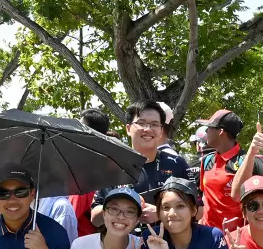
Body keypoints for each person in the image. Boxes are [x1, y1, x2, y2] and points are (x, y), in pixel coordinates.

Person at [91, 101, 190, 229]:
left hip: (167, 244)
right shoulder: (111, 166)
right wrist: (120, 204)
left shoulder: (177, 164)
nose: (148, 129)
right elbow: (95, 218)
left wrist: (162, 213)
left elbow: (197, 211)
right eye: (141, 123)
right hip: (124, 246)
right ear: (128, 129)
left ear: (160, 130)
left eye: (154, 124)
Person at [197, 109, 247, 231]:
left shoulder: (246, 162)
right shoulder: (206, 160)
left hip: (235, 239)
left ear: (221, 132)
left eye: (209, 127)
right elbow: (204, 196)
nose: (206, 131)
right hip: (208, 236)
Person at [69, 108, 112, 238]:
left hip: (77, 243)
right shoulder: (106, 166)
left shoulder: (87, 173)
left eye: (78, 128)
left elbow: (69, 216)